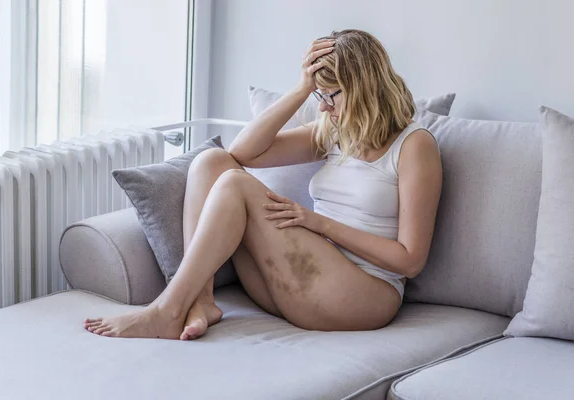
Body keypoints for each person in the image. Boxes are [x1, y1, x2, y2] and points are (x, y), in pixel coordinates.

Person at [83, 29, 442, 340]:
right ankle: (201, 302)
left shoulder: (414, 145)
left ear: (363, 89)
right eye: (321, 96)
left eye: (331, 95)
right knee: (213, 161)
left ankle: (167, 309)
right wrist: (302, 89)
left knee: (236, 187)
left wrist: (317, 223)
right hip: (300, 277)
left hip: (363, 294)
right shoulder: (335, 130)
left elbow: (410, 261)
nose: (324, 108)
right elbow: (243, 153)